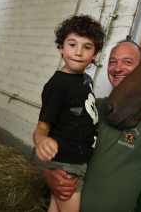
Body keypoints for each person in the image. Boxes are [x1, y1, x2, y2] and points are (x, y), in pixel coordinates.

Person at [44, 38, 141, 212]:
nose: (118, 68)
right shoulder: (92, 105)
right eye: (113, 62)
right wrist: (48, 174)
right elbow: (54, 145)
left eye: (127, 62)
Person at [33, 15, 106, 212]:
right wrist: (42, 142)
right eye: (72, 44)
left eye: (87, 47)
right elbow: (42, 128)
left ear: (96, 55)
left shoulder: (86, 80)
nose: (78, 52)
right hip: (67, 163)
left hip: (76, 160)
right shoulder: (57, 85)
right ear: (61, 48)